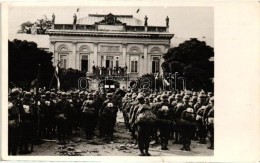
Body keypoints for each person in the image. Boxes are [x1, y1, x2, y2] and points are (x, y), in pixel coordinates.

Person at [8, 89, 23, 155]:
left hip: (7, 122)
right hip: (15, 122)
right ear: (17, 95)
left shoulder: (7, 100)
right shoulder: (18, 101)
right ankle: (13, 155)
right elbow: (21, 112)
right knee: (14, 139)